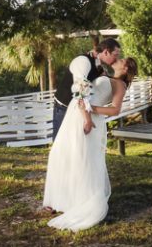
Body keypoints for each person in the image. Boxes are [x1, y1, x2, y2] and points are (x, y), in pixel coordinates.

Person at [42, 57, 138, 232]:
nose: (118, 58)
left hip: (89, 118)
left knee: (82, 158)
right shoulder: (104, 74)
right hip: (75, 115)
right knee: (64, 154)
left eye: (122, 59)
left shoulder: (120, 85)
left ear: (126, 68)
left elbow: (115, 110)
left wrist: (90, 109)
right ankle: (62, 199)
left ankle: (81, 200)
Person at [52, 38, 121, 139]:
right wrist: (87, 120)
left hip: (78, 109)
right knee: (60, 142)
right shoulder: (83, 61)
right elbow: (80, 90)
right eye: (115, 55)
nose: (117, 59)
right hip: (64, 108)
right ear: (106, 52)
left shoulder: (100, 66)